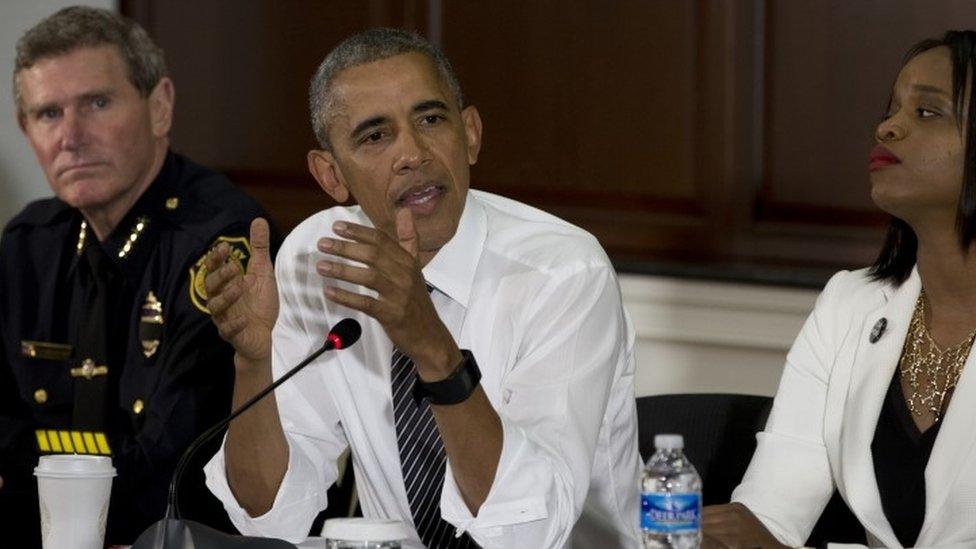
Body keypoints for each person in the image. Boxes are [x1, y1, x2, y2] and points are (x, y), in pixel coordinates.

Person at [203, 28, 641, 548]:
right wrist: (253, 366)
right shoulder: (317, 257)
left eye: (431, 120)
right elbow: (268, 513)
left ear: (471, 134)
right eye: (375, 136)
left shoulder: (563, 273)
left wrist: (430, 344)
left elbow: (528, 533)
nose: (413, 153)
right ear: (330, 175)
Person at [0, 6, 278, 546]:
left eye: (97, 103)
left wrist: (25, 467)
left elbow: (170, 472)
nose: (71, 137)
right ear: (25, 130)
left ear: (160, 106)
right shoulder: (28, 246)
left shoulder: (219, 246)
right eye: (48, 114)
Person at [702, 30, 976, 549]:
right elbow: (767, 519)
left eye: (927, 113)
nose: (886, 128)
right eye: (893, 108)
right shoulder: (848, 305)